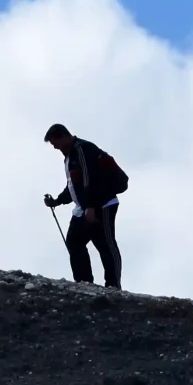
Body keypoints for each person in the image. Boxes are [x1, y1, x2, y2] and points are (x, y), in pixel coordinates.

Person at [43, 122, 126, 289]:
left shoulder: (82, 150)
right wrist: (57, 201)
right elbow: (73, 186)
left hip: (103, 205)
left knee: (106, 244)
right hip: (86, 208)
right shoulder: (69, 157)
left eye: (55, 143)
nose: (55, 147)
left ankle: (113, 286)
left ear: (64, 137)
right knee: (75, 241)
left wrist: (90, 207)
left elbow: (90, 178)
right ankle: (84, 283)